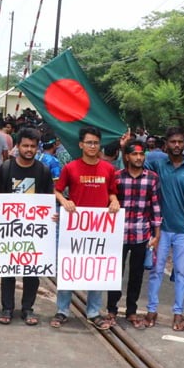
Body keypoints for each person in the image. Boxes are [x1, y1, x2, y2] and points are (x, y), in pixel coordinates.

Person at [51, 126, 120, 330]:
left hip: (99, 229)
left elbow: (112, 192)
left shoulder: (108, 169)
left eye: (96, 143)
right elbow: (56, 191)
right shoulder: (70, 168)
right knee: (69, 268)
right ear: (81, 144)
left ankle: (93, 312)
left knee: (96, 269)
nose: (92, 146)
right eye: (89, 142)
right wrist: (64, 201)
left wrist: (114, 201)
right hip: (75, 228)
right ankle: (62, 310)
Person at [0, 128, 54, 326]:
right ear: (17, 146)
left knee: (32, 272)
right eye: (25, 145)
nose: (29, 149)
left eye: (33, 146)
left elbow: (48, 199)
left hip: (34, 231)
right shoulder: (5, 168)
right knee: (8, 270)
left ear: (37, 148)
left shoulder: (43, 171)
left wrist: (51, 215)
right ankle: (7, 308)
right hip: (9, 230)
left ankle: (28, 308)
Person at [143, 128, 184, 331]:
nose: (176, 145)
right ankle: (152, 309)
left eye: (180, 142)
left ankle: (177, 312)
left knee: (182, 273)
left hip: (183, 230)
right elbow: (136, 162)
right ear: (166, 144)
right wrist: (123, 148)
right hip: (161, 229)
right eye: (173, 141)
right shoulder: (158, 165)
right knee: (156, 271)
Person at [108, 139, 161, 329]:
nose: (138, 157)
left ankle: (131, 310)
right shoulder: (116, 177)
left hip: (141, 234)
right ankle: (112, 309)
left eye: (141, 154)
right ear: (127, 156)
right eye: (135, 154)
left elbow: (155, 206)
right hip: (118, 234)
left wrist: (156, 234)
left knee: (137, 275)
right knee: (115, 273)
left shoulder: (152, 178)